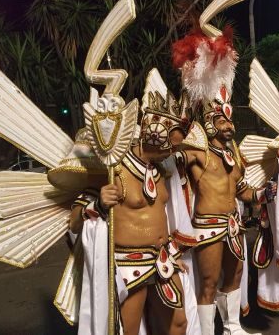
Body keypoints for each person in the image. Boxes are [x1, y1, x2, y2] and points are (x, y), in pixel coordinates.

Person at [171, 28, 273, 335]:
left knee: (236, 273)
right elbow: (173, 156)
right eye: (223, 121)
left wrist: (262, 194)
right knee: (210, 281)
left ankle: (232, 326)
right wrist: (185, 118)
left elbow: (240, 189)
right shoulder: (198, 150)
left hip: (233, 223)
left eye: (230, 120)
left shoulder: (234, 154)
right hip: (208, 225)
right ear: (210, 123)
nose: (230, 126)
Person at [68, 90, 190, 334]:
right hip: (128, 265)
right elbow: (74, 221)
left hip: (162, 260)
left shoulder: (160, 172)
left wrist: (173, 251)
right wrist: (99, 204)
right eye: (173, 145)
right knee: (128, 329)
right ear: (156, 134)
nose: (174, 152)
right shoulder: (115, 168)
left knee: (178, 323)